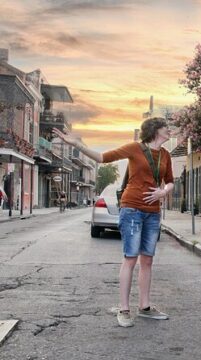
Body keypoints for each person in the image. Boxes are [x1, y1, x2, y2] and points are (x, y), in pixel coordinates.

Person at [53, 117, 174, 328]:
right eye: (166, 127)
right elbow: (102, 157)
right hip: (132, 209)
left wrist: (163, 192)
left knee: (147, 260)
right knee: (130, 258)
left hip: (153, 212)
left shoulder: (165, 154)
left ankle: (144, 307)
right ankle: (124, 309)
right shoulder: (134, 148)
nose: (169, 130)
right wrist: (77, 145)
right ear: (156, 130)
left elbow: (170, 181)